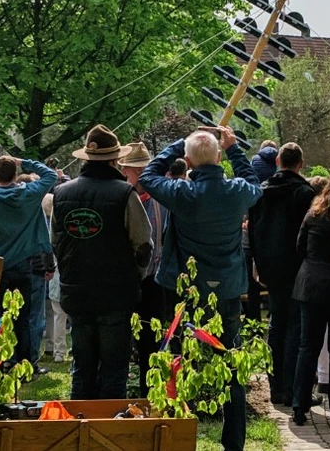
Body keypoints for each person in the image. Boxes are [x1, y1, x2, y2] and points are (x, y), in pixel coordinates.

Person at [141, 126, 262, 451]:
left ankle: (173, 431)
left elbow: (149, 176)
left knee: (177, 358)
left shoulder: (183, 193)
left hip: (185, 287)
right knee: (231, 361)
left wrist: (179, 144)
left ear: (188, 161)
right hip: (226, 289)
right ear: (219, 157)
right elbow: (254, 183)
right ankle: (233, 442)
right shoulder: (236, 190)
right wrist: (235, 148)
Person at [51, 125, 152, 399]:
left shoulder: (60, 194)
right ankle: (111, 431)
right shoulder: (124, 193)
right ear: (115, 160)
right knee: (114, 369)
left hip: (77, 292)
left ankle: (80, 432)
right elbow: (143, 244)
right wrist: (135, 275)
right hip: (116, 293)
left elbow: (56, 242)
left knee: (81, 368)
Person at [248, 142, 317, 406]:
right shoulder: (305, 193)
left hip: (269, 266)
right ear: (300, 163)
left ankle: (275, 386)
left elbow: (252, 231)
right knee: (296, 327)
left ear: (278, 161)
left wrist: (256, 261)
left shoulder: (261, 192)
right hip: (297, 267)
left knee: (276, 325)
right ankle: (292, 388)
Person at [0, 155, 57, 366]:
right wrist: (24, 161)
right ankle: (26, 362)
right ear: (16, 174)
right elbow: (50, 175)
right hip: (25, 264)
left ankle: (1, 360)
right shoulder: (29, 194)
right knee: (25, 316)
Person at [291, 174, 330, 426]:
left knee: (308, 347)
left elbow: (299, 247)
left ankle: (299, 405)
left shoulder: (313, 215)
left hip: (311, 285)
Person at [123, 142, 169, 398]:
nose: (141, 175)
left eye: (144, 169)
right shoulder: (120, 197)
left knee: (151, 342)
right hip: (125, 281)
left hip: (154, 281)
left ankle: (148, 391)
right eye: (135, 170)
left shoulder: (161, 200)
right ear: (125, 169)